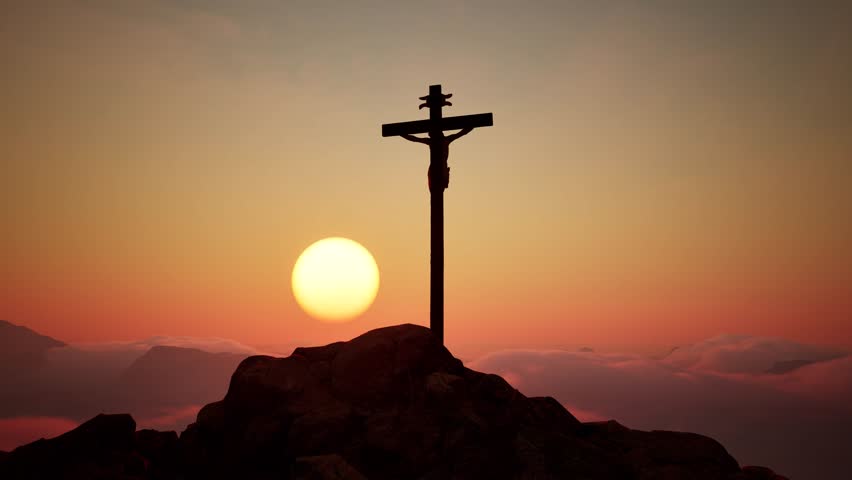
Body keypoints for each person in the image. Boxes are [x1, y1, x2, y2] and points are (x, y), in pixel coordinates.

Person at [401, 127, 473, 191]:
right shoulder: (435, 141)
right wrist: (401, 133)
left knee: (439, 188)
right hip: (436, 168)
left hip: (441, 167)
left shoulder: (443, 140)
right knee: (435, 188)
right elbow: (414, 139)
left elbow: (462, 133)